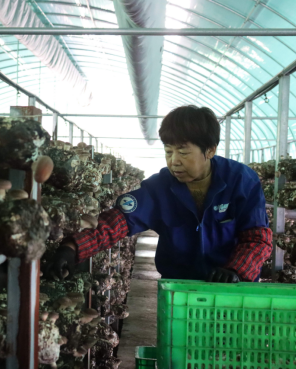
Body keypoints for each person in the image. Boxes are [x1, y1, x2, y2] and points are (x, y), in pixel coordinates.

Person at [48, 105, 273, 283]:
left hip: (231, 289)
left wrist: (235, 270)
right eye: (168, 151)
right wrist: (73, 247)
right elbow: (119, 220)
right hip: (179, 291)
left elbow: (257, 238)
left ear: (210, 150)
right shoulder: (160, 187)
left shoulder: (241, 181)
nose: (174, 161)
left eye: (183, 152)